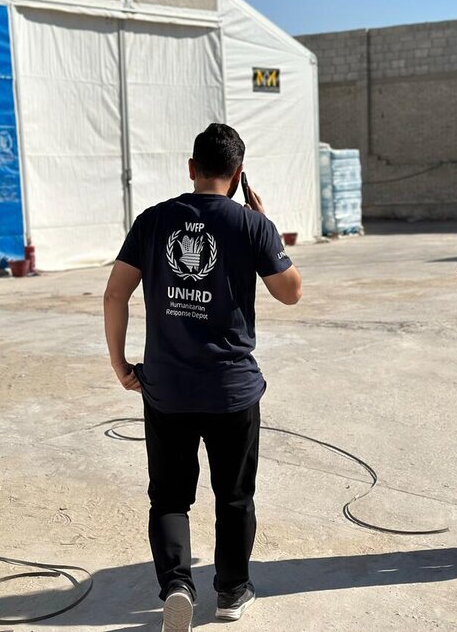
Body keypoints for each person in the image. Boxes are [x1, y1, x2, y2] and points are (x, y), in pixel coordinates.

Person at [103, 123, 302, 631]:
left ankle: (176, 585)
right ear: (237, 175)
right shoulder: (251, 226)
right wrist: (266, 224)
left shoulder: (152, 221)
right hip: (231, 390)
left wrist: (120, 363)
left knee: (169, 496)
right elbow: (291, 292)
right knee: (234, 495)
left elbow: (114, 295)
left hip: (166, 388)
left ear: (191, 169)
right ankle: (232, 591)